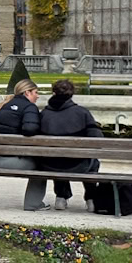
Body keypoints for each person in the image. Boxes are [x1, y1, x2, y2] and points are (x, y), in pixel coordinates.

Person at [40, 79, 101, 210]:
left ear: (54, 93)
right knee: (92, 162)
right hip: (79, 165)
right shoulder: (82, 112)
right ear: (71, 94)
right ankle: (91, 198)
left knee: (57, 157)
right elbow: (97, 139)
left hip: (50, 165)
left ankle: (61, 197)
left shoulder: (44, 114)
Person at [0, 78, 44, 210]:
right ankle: (33, 203)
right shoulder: (29, 107)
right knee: (43, 165)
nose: (38, 96)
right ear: (27, 93)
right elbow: (30, 129)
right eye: (36, 92)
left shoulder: (3, 106)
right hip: (13, 162)